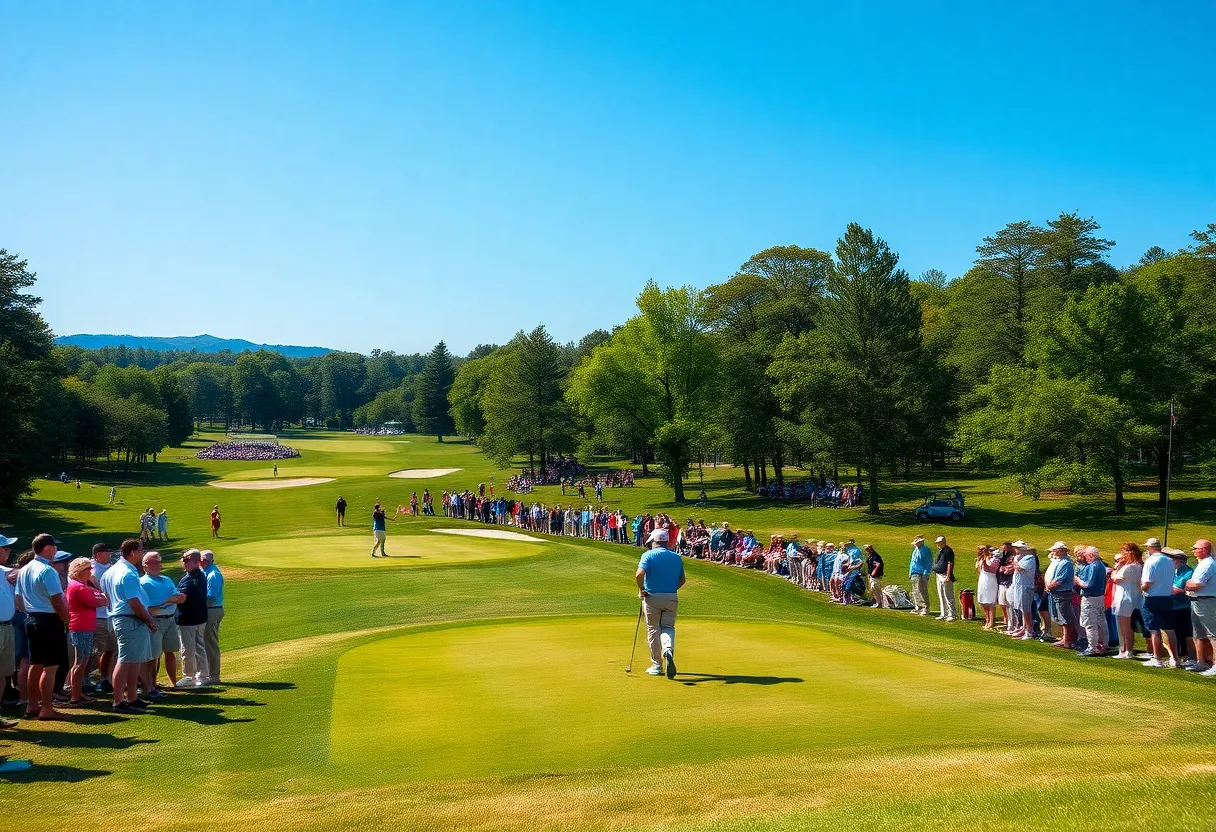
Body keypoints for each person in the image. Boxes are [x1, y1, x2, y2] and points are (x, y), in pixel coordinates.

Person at [15, 533, 71, 721]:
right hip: (48, 620)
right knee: (51, 666)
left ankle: (32, 705)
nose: (56, 550)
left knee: (35, 664)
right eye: (54, 547)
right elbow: (57, 600)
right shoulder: (48, 571)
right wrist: (66, 619)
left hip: (31, 619)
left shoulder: (24, 569)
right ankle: (47, 708)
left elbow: (18, 600)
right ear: (47, 548)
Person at [101, 538, 156, 713]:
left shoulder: (110, 571)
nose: (142, 553)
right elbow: (134, 602)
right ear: (132, 552)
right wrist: (149, 620)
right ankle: (119, 700)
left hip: (121, 618)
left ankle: (132, 697)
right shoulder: (128, 573)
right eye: (141, 550)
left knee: (133, 660)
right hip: (129, 619)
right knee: (125, 660)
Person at [636, 528, 686, 679]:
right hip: (671, 597)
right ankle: (668, 650)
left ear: (654, 541)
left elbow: (639, 574)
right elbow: (682, 580)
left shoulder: (648, 555)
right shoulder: (676, 557)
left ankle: (657, 665)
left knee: (653, 629)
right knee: (668, 627)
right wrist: (670, 590)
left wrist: (642, 589)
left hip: (652, 597)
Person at [140, 551, 185, 693]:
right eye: (156, 562)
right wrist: (166, 601)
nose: (160, 565)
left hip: (170, 619)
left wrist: (166, 602)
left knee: (170, 651)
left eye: (160, 562)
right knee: (154, 655)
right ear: (145, 565)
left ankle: (174, 683)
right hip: (155, 621)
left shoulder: (166, 579)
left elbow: (179, 597)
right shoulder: (143, 583)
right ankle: (152, 684)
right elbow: (149, 608)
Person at [64, 557, 107, 706]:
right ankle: (75, 695)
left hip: (85, 627)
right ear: (80, 571)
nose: (91, 572)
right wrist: (100, 597)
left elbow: (99, 596)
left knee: (83, 661)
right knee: (80, 662)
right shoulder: (78, 587)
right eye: (88, 569)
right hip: (80, 627)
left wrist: (100, 596)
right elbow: (98, 601)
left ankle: (77, 692)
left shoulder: (82, 586)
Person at [1141, 540, 1181, 668]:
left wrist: (1141, 587)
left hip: (1152, 598)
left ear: (1150, 548)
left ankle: (1157, 658)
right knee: (1169, 629)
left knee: (1154, 629)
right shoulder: (1169, 561)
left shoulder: (1150, 561)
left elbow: (1147, 584)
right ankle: (1175, 658)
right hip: (1166, 597)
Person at [175, 549, 209, 687]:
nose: (184, 564)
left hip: (188, 619)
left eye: (187, 561)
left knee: (188, 649)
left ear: (195, 562)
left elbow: (181, 598)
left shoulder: (189, 579)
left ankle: (189, 677)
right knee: (199, 647)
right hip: (200, 617)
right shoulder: (201, 575)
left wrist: (165, 600)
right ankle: (203, 676)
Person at [1184, 539, 1216, 677]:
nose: (1193, 550)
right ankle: (1200, 662)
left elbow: (1197, 585)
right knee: (1198, 634)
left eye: (1195, 548)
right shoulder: (1202, 563)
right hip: (1196, 600)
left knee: (1212, 634)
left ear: (1203, 550)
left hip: (1206, 601)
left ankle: (1214, 665)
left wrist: (1187, 584)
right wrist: (1189, 584)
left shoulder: (1208, 564)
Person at [90, 542, 117, 695]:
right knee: (106, 650)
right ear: (98, 554)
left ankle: (110, 678)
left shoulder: (108, 567)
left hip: (108, 614)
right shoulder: (94, 571)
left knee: (111, 650)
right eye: (107, 552)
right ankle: (105, 679)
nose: (110, 554)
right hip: (99, 616)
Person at [1110, 542, 1145, 660]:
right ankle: (1123, 648)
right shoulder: (1135, 566)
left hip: (1126, 597)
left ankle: (1128, 650)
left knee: (1126, 626)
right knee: (1122, 625)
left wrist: (1117, 568)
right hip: (1126, 595)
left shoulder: (1131, 567)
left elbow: (1115, 578)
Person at [1074, 545, 1109, 657]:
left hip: (1090, 598)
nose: (1086, 558)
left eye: (1086, 556)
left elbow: (1087, 584)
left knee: (1090, 624)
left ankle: (1092, 647)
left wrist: (1077, 580)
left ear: (1091, 555)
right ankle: (1104, 645)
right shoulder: (1101, 565)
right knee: (1101, 622)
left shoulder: (1093, 566)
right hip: (1099, 597)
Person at [0, 534, 20, 729]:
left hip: (7, 626)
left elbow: (17, 573)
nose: (9, 551)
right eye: (5, 548)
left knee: (3, 674)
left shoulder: (5, 571)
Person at [1044, 542, 1079, 648]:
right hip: (1055, 592)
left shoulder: (1066, 563)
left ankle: (1068, 640)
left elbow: (1059, 579)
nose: (1053, 552)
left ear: (1062, 551)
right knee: (1059, 616)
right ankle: (1064, 638)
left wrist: (1049, 587)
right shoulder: (1057, 561)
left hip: (1062, 592)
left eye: (1055, 550)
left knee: (1065, 616)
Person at [202, 549, 224, 685]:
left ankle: (214, 676)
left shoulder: (213, 575)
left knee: (210, 644)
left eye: (203, 560)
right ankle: (208, 674)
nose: (200, 562)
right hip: (210, 610)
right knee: (206, 643)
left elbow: (210, 598)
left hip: (212, 610)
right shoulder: (206, 572)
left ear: (209, 561)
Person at [932, 536, 956, 621]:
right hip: (939, 574)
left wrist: (948, 576)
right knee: (941, 595)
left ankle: (952, 614)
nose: (937, 544)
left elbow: (950, 563)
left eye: (939, 542)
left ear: (943, 542)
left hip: (945, 575)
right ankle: (944, 613)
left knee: (948, 595)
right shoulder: (941, 551)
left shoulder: (948, 551)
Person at [976, 546, 1000, 630]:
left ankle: (991, 621)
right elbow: (978, 568)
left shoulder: (995, 560)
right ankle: (987, 619)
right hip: (983, 580)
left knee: (990, 602)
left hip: (990, 581)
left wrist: (986, 557)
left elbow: (990, 568)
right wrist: (980, 556)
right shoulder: (983, 558)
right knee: (983, 602)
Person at [908, 536, 933, 615]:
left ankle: (925, 607)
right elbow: (912, 562)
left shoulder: (926, 550)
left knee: (922, 590)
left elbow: (928, 562)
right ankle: (918, 606)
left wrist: (926, 573)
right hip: (914, 573)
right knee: (915, 591)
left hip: (921, 573)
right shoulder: (915, 550)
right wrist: (910, 572)